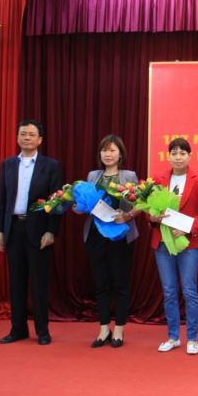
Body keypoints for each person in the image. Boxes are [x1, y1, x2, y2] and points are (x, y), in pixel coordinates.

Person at [0, 119, 62, 345]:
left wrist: (51, 231)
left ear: (40, 140)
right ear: (17, 137)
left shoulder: (50, 166)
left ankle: (42, 331)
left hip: (39, 231)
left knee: (39, 282)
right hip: (14, 228)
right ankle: (18, 329)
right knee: (16, 282)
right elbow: (1, 201)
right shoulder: (8, 165)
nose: (27, 138)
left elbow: (57, 203)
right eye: (23, 134)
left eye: (31, 135)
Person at [150, 138, 198, 355]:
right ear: (169, 156)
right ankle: (173, 336)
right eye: (174, 153)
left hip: (190, 243)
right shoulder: (158, 179)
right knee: (169, 291)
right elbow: (149, 212)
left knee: (189, 290)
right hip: (162, 242)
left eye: (182, 153)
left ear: (189, 156)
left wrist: (189, 227)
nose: (178, 157)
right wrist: (153, 218)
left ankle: (193, 338)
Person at [80, 135, 139, 348]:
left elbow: (141, 204)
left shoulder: (129, 175)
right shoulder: (93, 176)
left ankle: (120, 330)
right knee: (101, 283)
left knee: (120, 283)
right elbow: (85, 203)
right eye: (104, 150)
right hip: (96, 235)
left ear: (120, 154)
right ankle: (104, 328)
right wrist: (79, 206)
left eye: (112, 150)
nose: (108, 154)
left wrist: (129, 215)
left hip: (121, 234)